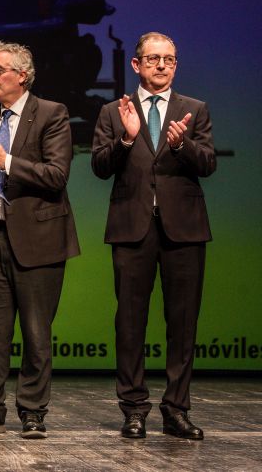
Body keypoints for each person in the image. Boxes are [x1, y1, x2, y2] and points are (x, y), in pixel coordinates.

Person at [92, 32, 216, 440]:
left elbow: (208, 163)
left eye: (169, 59)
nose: (162, 65)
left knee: (183, 323)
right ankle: (133, 409)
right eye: (153, 59)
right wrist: (127, 138)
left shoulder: (194, 109)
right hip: (132, 227)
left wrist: (182, 146)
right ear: (137, 65)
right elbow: (100, 167)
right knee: (130, 323)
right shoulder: (114, 111)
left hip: (184, 229)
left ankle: (176, 409)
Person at [0, 41, 79, 439]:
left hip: (39, 238)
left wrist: (4, 160)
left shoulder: (52, 113)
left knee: (36, 331)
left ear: (21, 75)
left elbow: (56, 175)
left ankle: (33, 411)